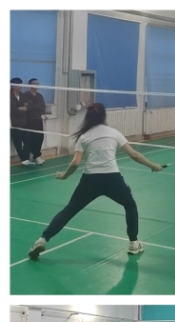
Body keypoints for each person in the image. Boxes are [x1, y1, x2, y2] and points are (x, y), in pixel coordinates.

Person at [27, 103, 162, 261]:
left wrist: (64, 175)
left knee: (69, 210)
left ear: (88, 117)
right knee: (130, 205)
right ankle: (134, 243)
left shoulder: (84, 136)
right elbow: (135, 155)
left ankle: (42, 239)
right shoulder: (114, 133)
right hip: (112, 179)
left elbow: (75, 163)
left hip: (90, 180)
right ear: (104, 116)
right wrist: (152, 165)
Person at [23, 78, 46, 164]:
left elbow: (42, 107)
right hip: (29, 120)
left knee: (40, 137)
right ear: (30, 85)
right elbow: (27, 108)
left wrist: (32, 106)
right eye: (34, 83)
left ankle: (37, 155)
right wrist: (34, 107)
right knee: (32, 138)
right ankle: (35, 156)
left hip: (38, 119)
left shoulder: (40, 96)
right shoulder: (26, 95)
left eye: (37, 83)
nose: (36, 85)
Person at [10, 77, 32, 165]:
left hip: (24, 123)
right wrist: (22, 109)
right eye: (19, 85)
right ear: (13, 86)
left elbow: (28, 107)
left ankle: (26, 158)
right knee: (17, 143)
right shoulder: (9, 96)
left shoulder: (23, 95)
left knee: (28, 140)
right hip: (13, 124)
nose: (21, 86)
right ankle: (24, 160)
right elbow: (13, 110)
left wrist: (22, 108)